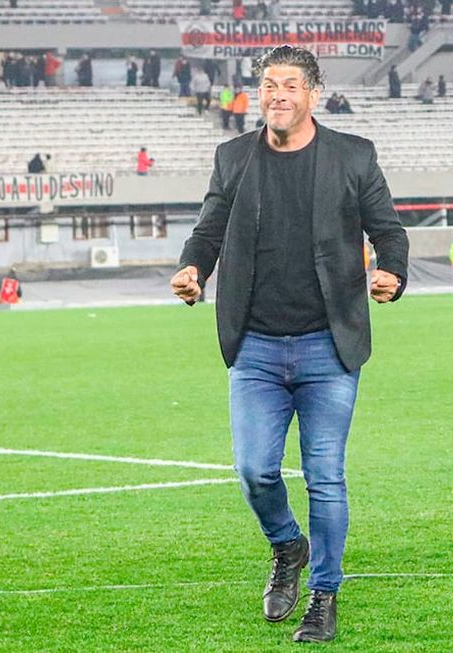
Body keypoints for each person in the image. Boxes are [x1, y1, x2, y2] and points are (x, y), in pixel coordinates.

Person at [171, 45, 408, 644]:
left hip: (330, 347)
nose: (277, 94)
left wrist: (393, 272)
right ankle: (287, 546)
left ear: (312, 94)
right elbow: (208, 229)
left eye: (290, 85)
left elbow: (388, 229)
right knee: (253, 470)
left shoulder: (353, 155)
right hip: (255, 347)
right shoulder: (233, 158)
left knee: (325, 476)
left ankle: (324, 596)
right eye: (268, 84)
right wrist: (192, 268)